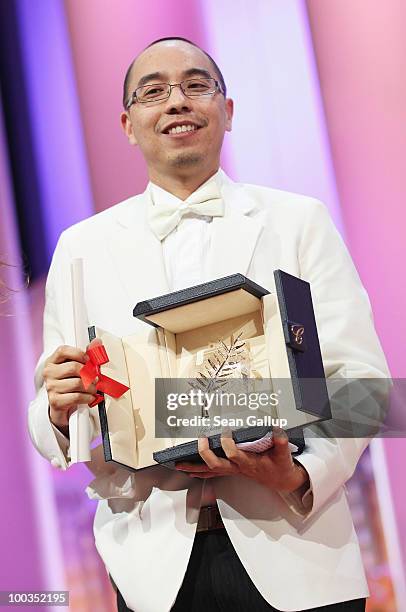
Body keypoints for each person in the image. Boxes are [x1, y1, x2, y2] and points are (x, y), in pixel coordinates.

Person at [28, 37, 389, 612]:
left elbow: (362, 380)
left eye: (196, 86)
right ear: (127, 123)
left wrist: (298, 472)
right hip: (152, 569)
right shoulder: (82, 247)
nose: (176, 102)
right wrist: (55, 408)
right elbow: (55, 426)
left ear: (228, 110)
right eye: (154, 92)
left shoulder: (298, 221)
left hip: (298, 552)